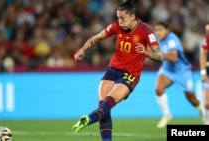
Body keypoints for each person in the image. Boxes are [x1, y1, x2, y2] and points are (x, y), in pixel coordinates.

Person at [71, 1, 164, 141]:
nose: (119, 21)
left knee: (108, 102)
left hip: (130, 75)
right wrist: (82, 50)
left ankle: (88, 119)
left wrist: (147, 52)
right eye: (118, 18)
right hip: (112, 70)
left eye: (123, 18)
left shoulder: (146, 31)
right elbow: (97, 38)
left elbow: (160, 56)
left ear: (132, 16)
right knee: (103, 106)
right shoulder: (116, 26)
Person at [154, 21, 205, 128]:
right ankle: (167, 114)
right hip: (167, 69)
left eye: (160, 30)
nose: (158, 32)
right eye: (156, 30)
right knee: (158, 89)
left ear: (167, 30)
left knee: (192, 99)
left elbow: (173, 58)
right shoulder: (158, 40)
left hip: (182, 71)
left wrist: (156, 54)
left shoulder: (172, 40)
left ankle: (202, 111)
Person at [199, 22, 209, 125]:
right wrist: (203, 72)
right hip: (207, 73)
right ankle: (206, 118)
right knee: (208, 102)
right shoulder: (205, 42)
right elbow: (202, 56)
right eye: (207, 31)